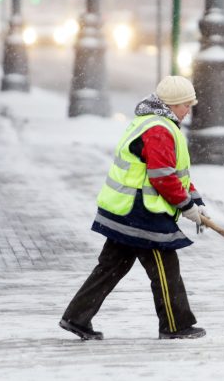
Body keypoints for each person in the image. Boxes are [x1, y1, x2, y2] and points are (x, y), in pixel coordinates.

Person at [60, 75, 209, 341]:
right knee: (165, 267)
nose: (189, 111)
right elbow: (162, 177)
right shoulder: (160, 129)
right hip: (141, 212)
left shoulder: (152, 123)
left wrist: (196, 201)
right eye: (186, 105)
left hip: (126, 210)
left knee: (111, 266)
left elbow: (178, 174)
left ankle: (76, 317)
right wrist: (186, 207)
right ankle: (175, 325)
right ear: (173, 104)